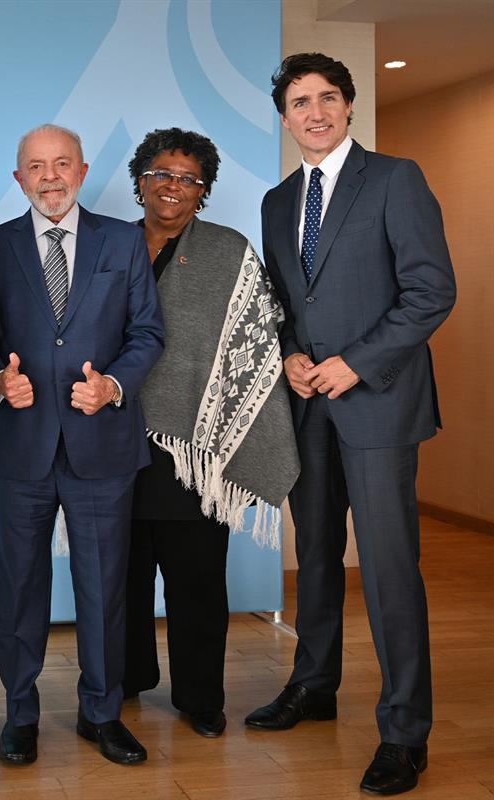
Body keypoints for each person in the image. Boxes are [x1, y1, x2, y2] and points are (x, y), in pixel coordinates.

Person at [245, 53, 456, 796]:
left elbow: (432, 291)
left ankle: (405, 732)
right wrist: (293, 356)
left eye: (327, 98)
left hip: (378, 403)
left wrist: (355, 364)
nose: (315, 112)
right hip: (307, 406)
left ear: (348, 106)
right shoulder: (276, 202)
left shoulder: (396, 179)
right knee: (318, 559)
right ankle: (315, 685)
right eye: (300, 101)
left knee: (391, 567)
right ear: (286, 117)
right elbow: (277, 302)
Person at [0, 124, 164, 767]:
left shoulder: (123, 241)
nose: (50, 177)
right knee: (20, 585)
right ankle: (19, 713)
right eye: (36, 166)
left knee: (104, 586)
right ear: (19, 178)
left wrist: (112, 385)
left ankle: (101, 713)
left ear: (82, 172)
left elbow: (147, 333)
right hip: (22, 445)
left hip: (102, 446)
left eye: (61, 164)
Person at [121, 128, 299, 738]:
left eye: (189, 179)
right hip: (112, 438)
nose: (174, 187)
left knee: (196, 580)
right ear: (139, 180)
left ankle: (200, 696)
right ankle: (125, 678)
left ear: (205, 191)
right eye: (161, 174)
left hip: (196, 450)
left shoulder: (229, 251)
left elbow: (258, 341)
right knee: (120, 572)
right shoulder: (108, 245)